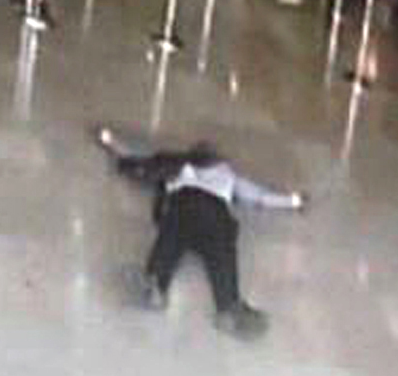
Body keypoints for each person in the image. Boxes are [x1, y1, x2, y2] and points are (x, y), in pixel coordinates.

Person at [97, 129, 306, 340]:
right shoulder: (227, 173)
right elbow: (259, 196)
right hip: (216, 214)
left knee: (169, 242)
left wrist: (111, 142)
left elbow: (137, 159)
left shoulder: (176, 165)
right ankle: (228, 308)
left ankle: (155, 286)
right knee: (222, 256)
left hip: (183, 207)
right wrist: (292, 201)